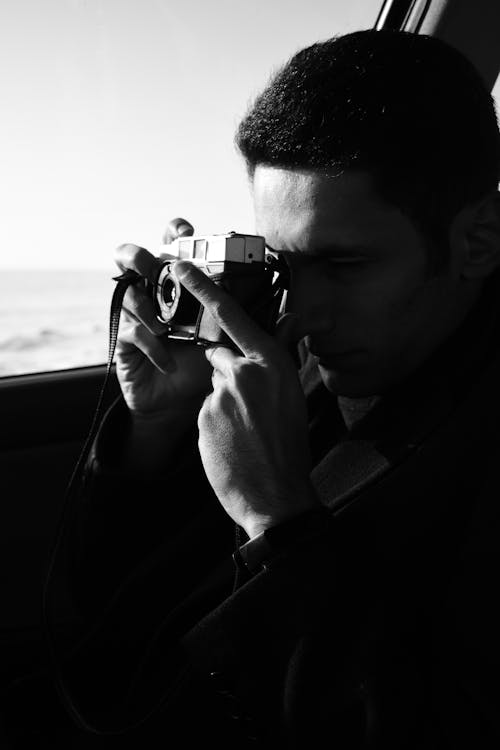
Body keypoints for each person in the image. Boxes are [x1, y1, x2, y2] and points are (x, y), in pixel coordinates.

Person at [49, 29, 500, 748]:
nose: (302, 313)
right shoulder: (302, 363)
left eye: (346, 264)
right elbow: (108, 605)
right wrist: (158, 433)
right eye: (287, 267)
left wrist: (281, 524)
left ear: (477, 241)